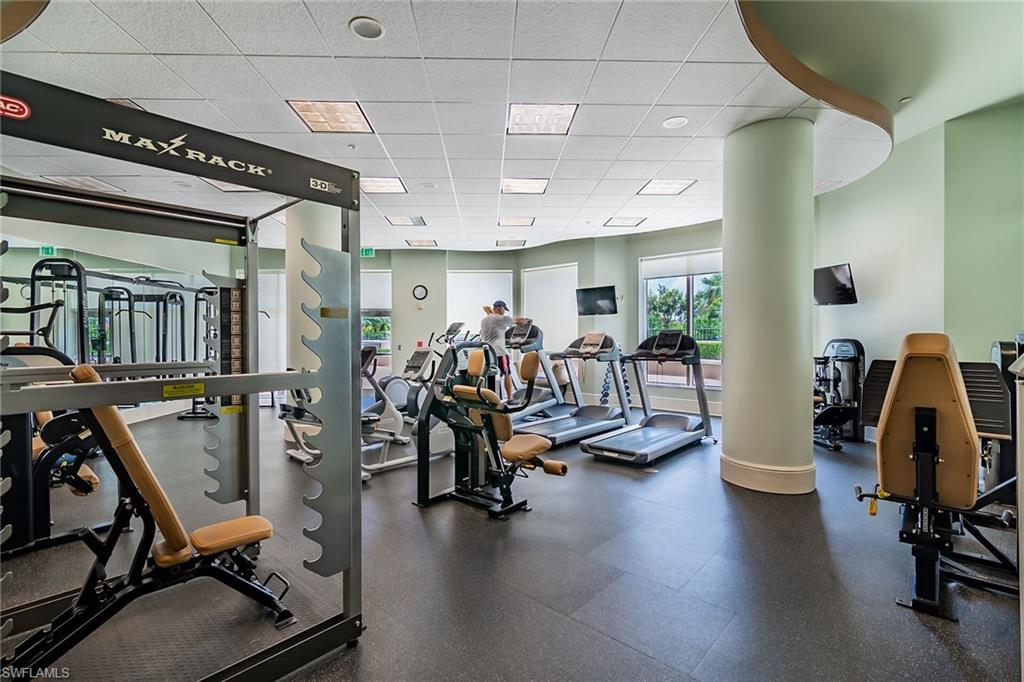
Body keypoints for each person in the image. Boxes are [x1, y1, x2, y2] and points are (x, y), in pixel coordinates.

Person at [479, 300, 530, 400]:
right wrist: (528, 320)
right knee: (507, 373)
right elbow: (518, 321)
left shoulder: (484, 320)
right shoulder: (502, 318)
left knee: (491, 375)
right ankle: (510, 398)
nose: (504, 312)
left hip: (488, 353)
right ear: (500, 308)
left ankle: (491, 399)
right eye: (504, 309)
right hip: (499, 352)